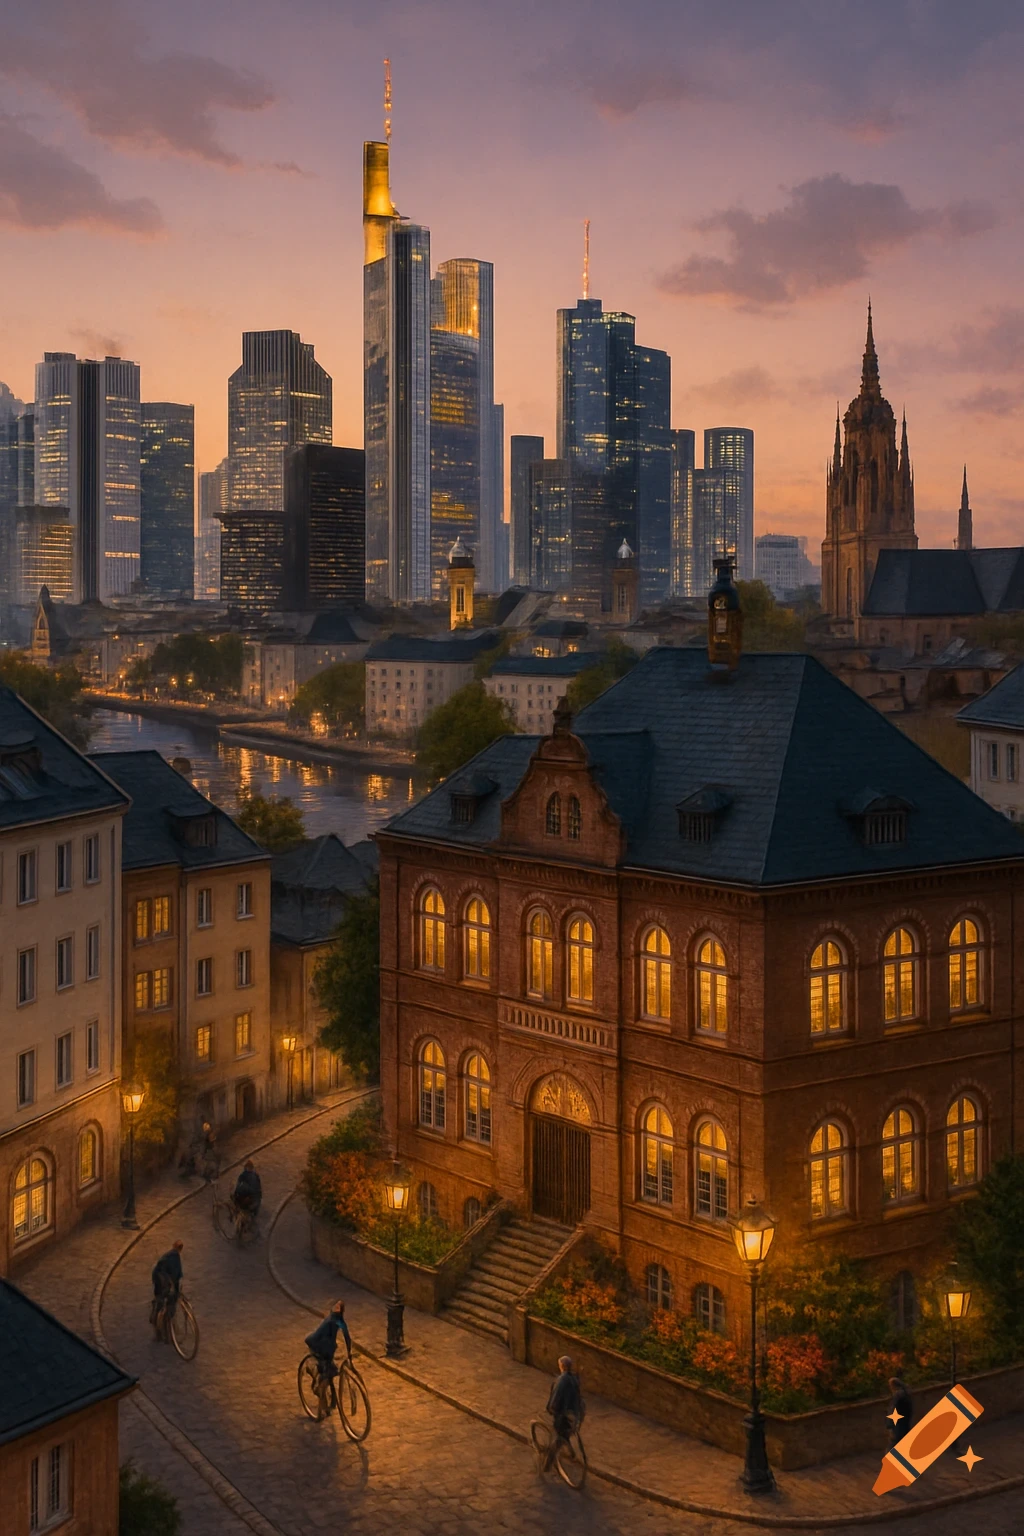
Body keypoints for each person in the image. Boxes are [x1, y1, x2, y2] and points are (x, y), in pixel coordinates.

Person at [304, 1301, 353, 1413]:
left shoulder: (338, 1321)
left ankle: (324, 1396)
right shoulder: (330, 1320)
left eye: (338, 1307)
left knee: (331, 1372)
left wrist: (349, 1352)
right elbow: (318, 1336)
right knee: (326, 1372)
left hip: (327, 1348)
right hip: (318, 1346)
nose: (336, 1308)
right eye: (335, 1306)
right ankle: (318, 1387)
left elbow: (347, 1336)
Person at [542, 1355, 584, 1471]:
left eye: (560, 1365)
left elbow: (557, 1396)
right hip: (574, 1415)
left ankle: (546, 1465)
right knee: (565, 1434)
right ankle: (571, 1454)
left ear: (563, 1366)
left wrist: (551, 1409)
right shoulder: (574, 1378)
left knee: (557, 1438)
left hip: (564, 1414)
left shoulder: (562, 1380)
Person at [151, 1240, 184, 1340]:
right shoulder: (174, 1259)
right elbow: (177, 1276)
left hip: (161, 1281)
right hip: (163, 1282)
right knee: (164, 1303)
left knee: (161, 1303)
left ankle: (160, 1331)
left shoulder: (168, 1257)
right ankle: (162, 1330)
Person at [233, 1160, 262, 1226]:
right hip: (255, 1201)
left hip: (248, 1200)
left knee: (238, 1201)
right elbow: (259, 1191)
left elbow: (239, 1187)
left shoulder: (244, 1175)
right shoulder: (256, 1176)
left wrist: (236, 1194)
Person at [887, 1376, 914, 1446]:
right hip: (905, 1423)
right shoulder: (906, 1395)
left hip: (898, 1425)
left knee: (894, 1445)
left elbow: (893, 1410)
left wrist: (890, 1426)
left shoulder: (897, 1396)